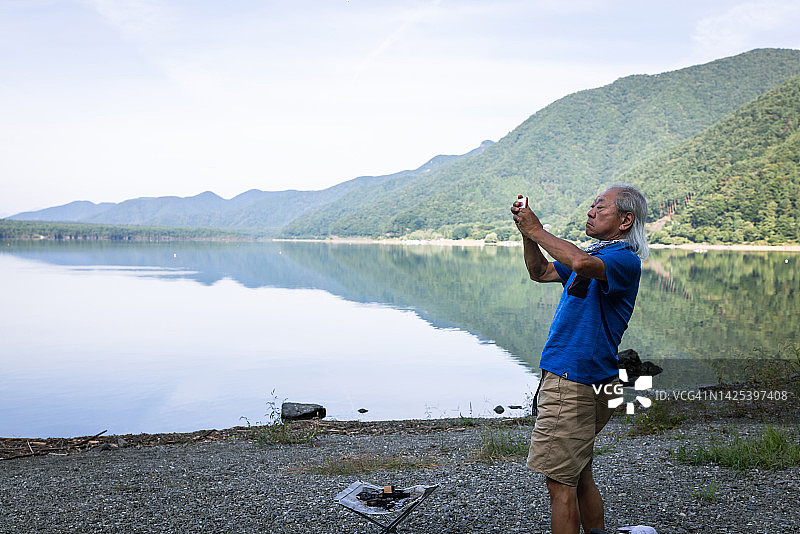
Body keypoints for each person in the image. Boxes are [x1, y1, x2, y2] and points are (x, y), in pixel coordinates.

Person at [511, 184, 649, 534]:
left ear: (625, 220)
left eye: (599, 208)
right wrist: (527, 235)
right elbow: (540, 271)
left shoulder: (621, 260)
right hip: (587, 377)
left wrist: (537, 229)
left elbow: (579, 262)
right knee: (578, 470)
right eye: (591, 206)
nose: (590, 211)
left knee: (560, 484)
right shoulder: (596, 255)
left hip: (575, 380)